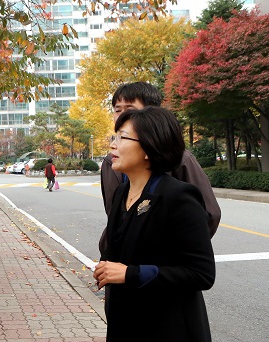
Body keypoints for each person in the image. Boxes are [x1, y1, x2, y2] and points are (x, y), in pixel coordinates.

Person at [93, 106, 216, 341]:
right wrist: (106, 267)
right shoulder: (122, 192)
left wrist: (130, 274)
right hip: (126, 322)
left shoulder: (179, 197)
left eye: (122, 137)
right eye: (113, 136)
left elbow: (201, 274)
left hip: (168, 327)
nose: (112, 145)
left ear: (149, 148)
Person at [99, 82, 221, 254]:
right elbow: (114, 217)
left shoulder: (181, 160)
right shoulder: (110, 164)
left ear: (150, 113)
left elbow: (209, 215)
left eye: (129, 108)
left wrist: (169, 258)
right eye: (117, 110)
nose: (122, 116)